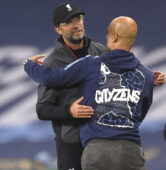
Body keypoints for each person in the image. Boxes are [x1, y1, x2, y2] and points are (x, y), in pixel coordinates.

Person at [24, 16, 163, 170]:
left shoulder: (90, 63)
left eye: (108, 32)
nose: (106, 36)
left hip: (96, 150)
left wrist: (28, 65)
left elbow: (50, 77)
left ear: (115, 36)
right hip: (131, 150)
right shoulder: (147, 75)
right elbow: (140, 114)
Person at [35, 2, 108, 170]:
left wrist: (147, 78)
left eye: (78, 19)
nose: (76, 25)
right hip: (72, 144)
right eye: (68, 22)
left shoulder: (101, 52)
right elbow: (42, 109)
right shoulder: (52, 63)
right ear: (58, 30)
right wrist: (70, 111)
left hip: (102, 139)